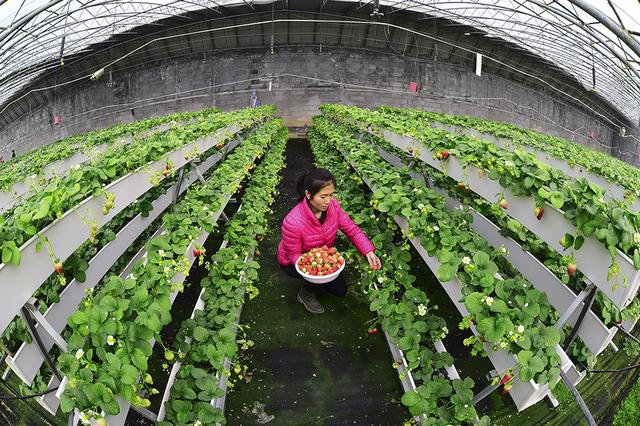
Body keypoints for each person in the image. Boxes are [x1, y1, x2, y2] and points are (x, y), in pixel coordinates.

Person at [277, 168, 381, 314]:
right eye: (323, 196)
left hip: (322, 256)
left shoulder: (334, 207)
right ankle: (306, 293)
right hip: (294, 261)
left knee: (340, 291)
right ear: (308, 194)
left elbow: (352, 229)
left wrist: (368, 251)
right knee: (318, 280)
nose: (328, 201)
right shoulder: (293, 221)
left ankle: (317, 283)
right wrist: (316, 270)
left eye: (331, 195)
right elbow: (294, 254)